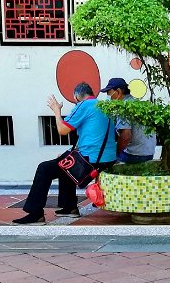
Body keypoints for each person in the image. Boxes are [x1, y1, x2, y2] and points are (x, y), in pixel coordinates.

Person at [12, 82, 117, 224]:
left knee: (44, 168)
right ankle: (69, 207)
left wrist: (56, 110)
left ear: (76, 96)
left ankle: (35, 214)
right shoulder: (103, 106)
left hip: (91, 160)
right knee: (64, 160)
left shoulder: (83, 105)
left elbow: (62, 130)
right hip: (108, 158)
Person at [101, 77, 156, 164]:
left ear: (118, 92)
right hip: (149, 153)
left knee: (107, 162)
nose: (109, 97)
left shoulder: (124, 107)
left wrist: (116, 153)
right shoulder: (136, 103)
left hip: (134, 154)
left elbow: (125, 136)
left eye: (109, 93)